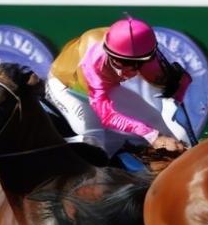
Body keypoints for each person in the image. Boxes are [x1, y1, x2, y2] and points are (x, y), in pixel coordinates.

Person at [45, 17, 193, 156]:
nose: (124, 72)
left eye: (135, 64)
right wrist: (151, 135)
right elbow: (107, 115)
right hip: (68, 89)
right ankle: (52, 149)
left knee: (156, 122)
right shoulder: (93, 61)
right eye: (120, 61)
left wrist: (175, 105)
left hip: (106, 87)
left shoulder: (148, 59)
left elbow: (183, 81)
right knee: (95, 142)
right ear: (108, 52)